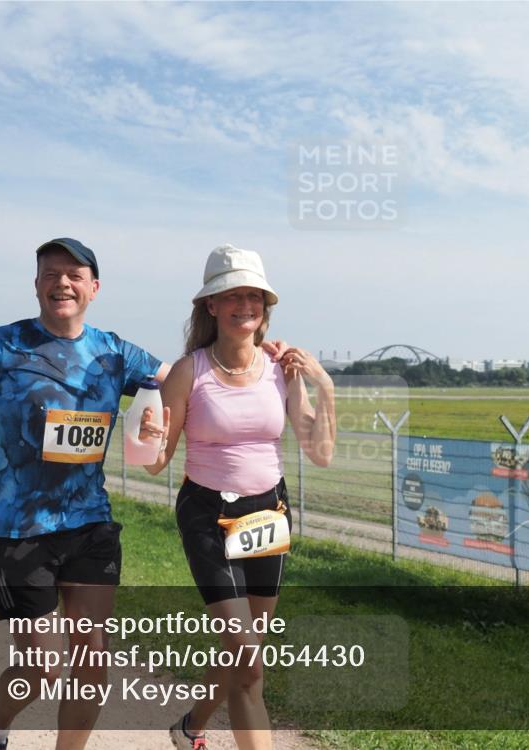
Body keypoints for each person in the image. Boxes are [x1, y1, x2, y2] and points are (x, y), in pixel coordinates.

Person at [0, 238, 285, 750]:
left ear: (93, 289)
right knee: (41, 665)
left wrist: (261, 359)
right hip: (19, 529)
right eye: (52, 274)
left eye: (75, 275)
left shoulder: (114, 352)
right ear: (36, 285)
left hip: (89, 524)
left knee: (90, 658)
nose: (63, 282)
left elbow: (197, 379)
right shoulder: (2, 347)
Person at [142, 244, 336, 750]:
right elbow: (156, 460)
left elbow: (321, 454)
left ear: (265, 306)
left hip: (268, 512)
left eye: (254, 295)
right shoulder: (189, 371)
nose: (245, 305)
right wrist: (146, 436)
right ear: (211, 305)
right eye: (232, 296)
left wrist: (326, 388)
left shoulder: (282, 369)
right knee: (249, 663)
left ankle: (190, 727)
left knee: (240, 653)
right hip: (208, 516)